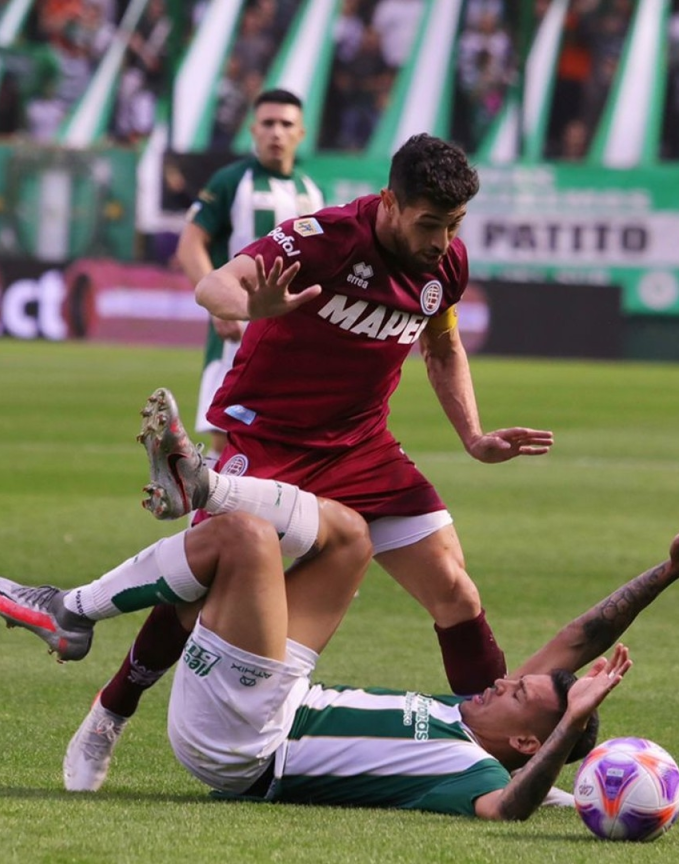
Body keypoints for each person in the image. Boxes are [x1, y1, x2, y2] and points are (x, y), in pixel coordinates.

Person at [70, 134, 553, 792]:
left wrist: (471, 436)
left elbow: (441, 349)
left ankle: (509, 768)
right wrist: (252, 305)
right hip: (268, 437)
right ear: (389, 202)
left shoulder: (445, 266)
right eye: (431, 223)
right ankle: (110, 712)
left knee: (455, 591)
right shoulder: (323, 239)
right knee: (204, 592)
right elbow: (215, 286)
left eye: (455, 224)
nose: (443, 240)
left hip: (360, 446)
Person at [0, 402, 679, 818]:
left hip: (245, 745)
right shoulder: (485, 714)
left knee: (246, 540)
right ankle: (201, 493)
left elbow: (510, 811)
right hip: (280, 695)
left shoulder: (476, 772)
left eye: (523, 695)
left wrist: (570, 727)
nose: (509, 679)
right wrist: (665, 573)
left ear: (527, 742)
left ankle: (79, 606)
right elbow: (583, 635)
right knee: (349, 533)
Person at [176, 89, 325, 462]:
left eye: (286, 124)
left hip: (294, 337)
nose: (277, 132)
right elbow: (190, 244)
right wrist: (219, 306)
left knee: (285, 441)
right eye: (268, 123)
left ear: (301, 133)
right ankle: (207, 516)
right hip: (237, 329)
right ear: (252, 130)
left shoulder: (312, 192)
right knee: (226, 437)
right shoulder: (231, 181)